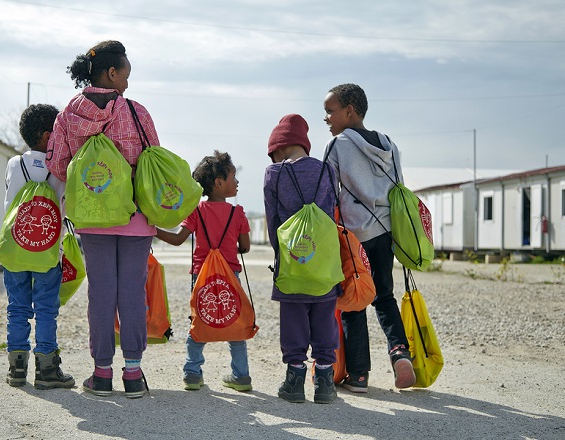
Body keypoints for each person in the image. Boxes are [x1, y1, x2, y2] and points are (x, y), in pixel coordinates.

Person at [46, 40, 160, 398]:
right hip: (135, 216)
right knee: (131, 292)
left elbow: (58, 166)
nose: (127, 83)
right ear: (112, 73)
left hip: (92, 216)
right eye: (125, 76)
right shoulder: (136, 111)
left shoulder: (68, 115)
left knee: (101, 293)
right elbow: (152, 160)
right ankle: (132, 374)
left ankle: (101, 374)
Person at [322, 83, 416, 393]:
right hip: (386, 231)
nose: (326, 118)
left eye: (330, 111)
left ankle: (359, 375)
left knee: (353, 299)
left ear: (349, 111)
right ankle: (400, 353)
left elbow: (327, 194)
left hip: (354, 235)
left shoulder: (337, 146)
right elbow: (399, 188)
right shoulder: (389, 143)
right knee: (384, 296)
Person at [155, 151, 253, 392]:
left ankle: (192, 373)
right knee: (234, 322)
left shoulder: (196, 210)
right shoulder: (237, 213)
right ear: (219, 183)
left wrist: (152, 229)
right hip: (231, 276)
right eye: (233, 176)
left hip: (202, 276)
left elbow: (178, 239)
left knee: (200, 321)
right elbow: (246, 247)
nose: (237, 181)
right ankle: (241, 376)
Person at [263, 114, 340, 404]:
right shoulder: (327, 171)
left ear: (280, 147)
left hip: (293, 258)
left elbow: (273, 221)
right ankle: (324, 383)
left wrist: (281, 254)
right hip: (324, 260)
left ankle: (294, 382)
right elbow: (332, 211)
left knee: (293, 317)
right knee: (324, 315)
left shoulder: (274, 173)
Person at [3, 104, 74, 390]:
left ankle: (17, 367)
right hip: (46, 251)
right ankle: (46, 369)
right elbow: (65, 207)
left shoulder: (13, 164)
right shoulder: (59, 170)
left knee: (17, 308)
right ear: (48, 136)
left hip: (13, 248)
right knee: (46, 308)